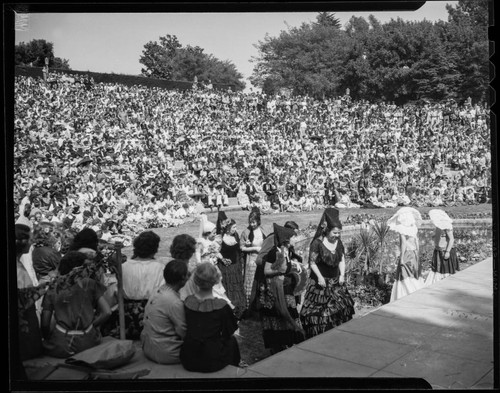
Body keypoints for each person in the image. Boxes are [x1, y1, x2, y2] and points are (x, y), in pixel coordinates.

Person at [40, 251, 112, 358]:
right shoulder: (90, 283)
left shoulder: (53, 287)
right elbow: (107, 312)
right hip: (88, 341)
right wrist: (92, 326)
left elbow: (45, 323)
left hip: (61, 344)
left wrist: (48, 338)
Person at [299, 208, 355, 339]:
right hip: (321, 283)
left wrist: (342, 275)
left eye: (339, 233)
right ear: (327, 230)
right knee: (319, 314)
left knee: (340, 309)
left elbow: (341, 259)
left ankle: (338, 335)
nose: (337, 235)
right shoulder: (317, 243)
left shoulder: (339, 242)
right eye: (335, 233)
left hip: (336, 281)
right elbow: (312, 262)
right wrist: (319, 277)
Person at [102, 231, 166, 339]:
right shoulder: (160, 268)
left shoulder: (123, 267)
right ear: (155, 249)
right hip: (149, 317)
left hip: (128, 316)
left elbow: (112, 293)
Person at [180, 262, 241, 372]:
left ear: (196, 280)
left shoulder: (188, 302)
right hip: (212, 359)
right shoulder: (222, 306)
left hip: (189, 356)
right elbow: (229, 331)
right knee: (232, 342)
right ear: (216, 280)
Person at [256, 223, 306, 354]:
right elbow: (267, 271)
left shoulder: (287, 251)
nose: (294, 240)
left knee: (290, 312)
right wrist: (280, 271)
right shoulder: (274, 252)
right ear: (285, 240)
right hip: (276, 289)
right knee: (278, 314)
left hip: (286, 288)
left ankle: (289, 341)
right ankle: (278, 345)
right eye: (292, 238)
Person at [141, 260, 189, 364]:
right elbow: (183, 331)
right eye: (186, 275)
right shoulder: (174, 302)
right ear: (182, 279)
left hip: (148, 347)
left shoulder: (157, 291)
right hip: (166, 353)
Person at [180, 215, 233, 308]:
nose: (214, 234)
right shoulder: (202, 243)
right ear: (207, 233)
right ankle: (215, 302)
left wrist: (222, 259)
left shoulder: (213, 242)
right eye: (213, 233)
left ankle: (224, 303)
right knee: (210, 286)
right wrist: (199, 262)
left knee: (217, 285)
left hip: (213, 267)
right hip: (205, 267)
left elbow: (216, 252)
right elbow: (197, 253)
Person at [16, 224, 44, 362]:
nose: (32, 241)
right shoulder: (17, 270)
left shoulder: (19, 262)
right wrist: (41, 291)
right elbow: (22, 302)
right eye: (29, 239)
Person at [387, 207, 425, 302]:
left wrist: (401, 258)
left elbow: (403, 244)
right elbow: (417, 241)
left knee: (404, 274)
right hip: (414, 253)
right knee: (413, 273)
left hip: (406, 253)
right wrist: (417, 253)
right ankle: (416, 291)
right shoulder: (414, 227)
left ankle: (406, 294)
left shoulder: (402, 229)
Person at [215, 211, 246, 319]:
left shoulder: (236, 236)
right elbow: (216, 251)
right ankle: (230, 310)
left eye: (236, 227)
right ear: (228, 228)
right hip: (225, 268)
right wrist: (222, 259)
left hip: (235, 267)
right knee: (228, 288)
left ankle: (239, 309)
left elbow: (238, 252)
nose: (235, 229)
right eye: (233, 227)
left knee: (237, 287)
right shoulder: (221, 238)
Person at [240, 207, 266, 313]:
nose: (252, 225)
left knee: (261, 282)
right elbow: (241, 247)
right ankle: (249, 306)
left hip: (262, 260)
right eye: (250, 222)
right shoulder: (246, 232)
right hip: (251, 261)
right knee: (251, 283)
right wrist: (254, 248)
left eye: (254, 222)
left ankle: (261, 304)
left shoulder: (262, 230)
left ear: (258, 221)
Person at [424, 209, 459, 286]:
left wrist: (447, 252)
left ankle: (446, 284)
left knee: (445, 268)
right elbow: (438, 237)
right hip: (438, 250)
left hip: (445, 251)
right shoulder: (438, 226)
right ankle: (436, 283)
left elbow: (451, 239)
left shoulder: (447, 226)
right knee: (437, 268)